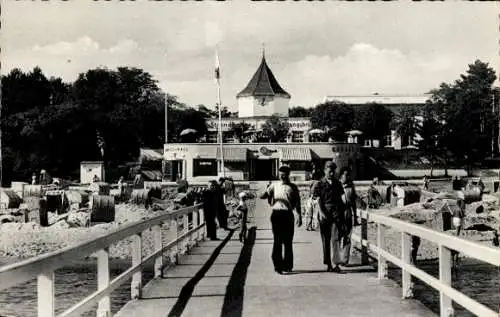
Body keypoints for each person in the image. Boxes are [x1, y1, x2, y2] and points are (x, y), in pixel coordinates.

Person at [260, 165, 302, 274]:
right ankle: (277, 266)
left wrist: (299, 216)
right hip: (276, 215)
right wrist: (265, 191)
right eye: (281, 174)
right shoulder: (274, 185)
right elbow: (263, 196)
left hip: (288, 215)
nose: (282, 176)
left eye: (285, 174)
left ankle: (287, 265)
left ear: (288, 175)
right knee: (277, 241)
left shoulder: (293, 187)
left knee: (288, 242)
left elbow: (297, 202)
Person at [312, 161, 346, 273]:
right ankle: (328, 264)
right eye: (329, 171)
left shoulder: (337, 183)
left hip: (336, 214)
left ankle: (336, 263)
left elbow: (343, 197)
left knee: (335, 239)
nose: (331, 173)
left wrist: (345, 210)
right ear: (325, 170)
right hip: (324, 214)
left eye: (333, 171)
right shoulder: (319, 184)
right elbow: (317, 200)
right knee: (325, 240)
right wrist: (321, 213)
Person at [339, 166, 358, 266]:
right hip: (338, 213)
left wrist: (355, 217)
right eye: (345, 174)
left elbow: (354, 202)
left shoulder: (351, 186)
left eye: (348, 175)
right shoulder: (337, 185)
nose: (347, 177)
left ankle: (345, 260)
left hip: (347, 213)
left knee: (347, 237)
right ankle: (337, 258)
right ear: (341, 175)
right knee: (337, 237)